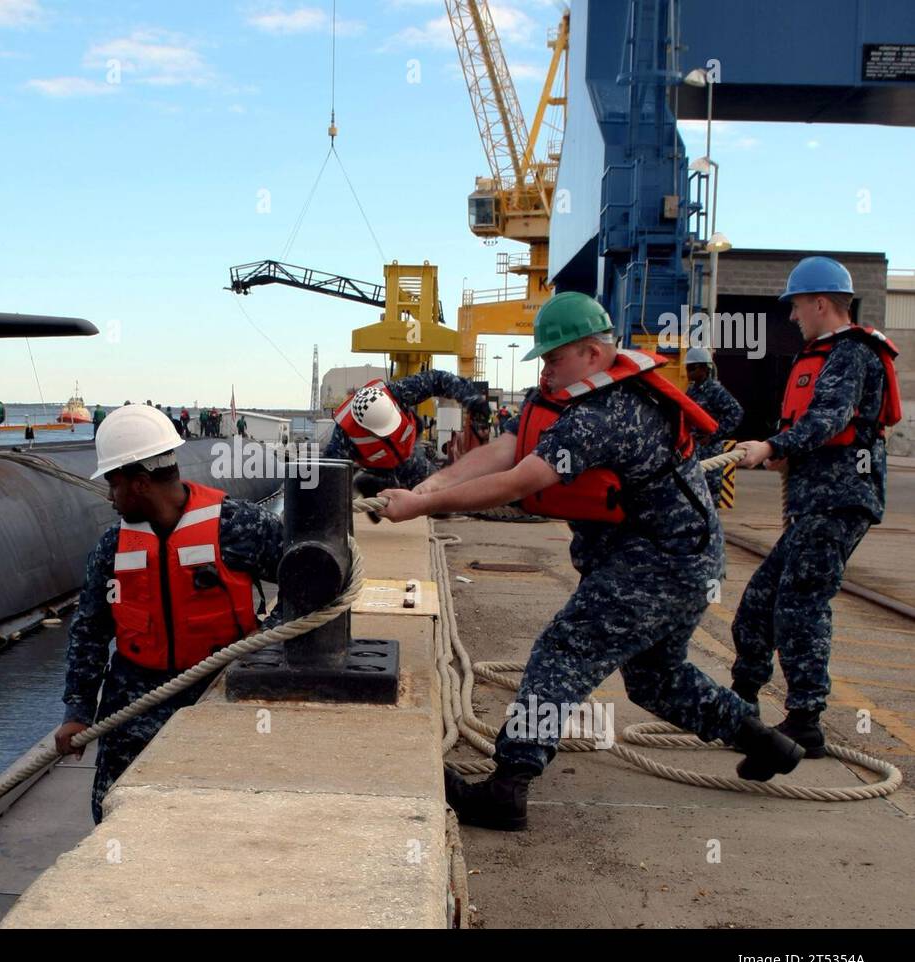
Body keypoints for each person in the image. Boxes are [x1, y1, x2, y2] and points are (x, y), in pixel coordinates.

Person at [378, 291, 805, 830]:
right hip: (681, 562)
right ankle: (765, 743)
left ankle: (509, 785)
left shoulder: (606, 413)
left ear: (592, 353)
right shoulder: (586, 397)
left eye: (554, 358)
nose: (547, 372)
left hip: (658, 564)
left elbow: (519, 481)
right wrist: (430, 486)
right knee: (656, 679)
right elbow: (509, 448)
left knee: (565, 650)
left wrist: (424, 505)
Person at [51, 404, 286, 823]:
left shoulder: (238, 527)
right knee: (116, 813)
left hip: (218, 694)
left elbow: (311, 578)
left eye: (114, 484)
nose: (109, 497)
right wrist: (77, 712)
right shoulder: (112, 549)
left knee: (217, 814)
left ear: (140, 484)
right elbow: (89, 633)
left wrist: (266, 643)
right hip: (134, 703)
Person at [730, 257, 902, 755]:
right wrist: (780, 454)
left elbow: (830, 416)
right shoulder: (829, 353)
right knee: (759, 604)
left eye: (797, 306)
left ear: (821, 303)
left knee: (801, 604)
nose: (792, 317)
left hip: (839, 501)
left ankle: (805, 718)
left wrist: (772, 446)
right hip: (815, 503)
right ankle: (741, 708)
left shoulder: (850, 353)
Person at [323, 370, 491, 493]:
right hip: (379, 468)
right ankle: (375, 485)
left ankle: (382, 485)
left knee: (439, 494)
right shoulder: (344, 433)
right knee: (385, 492)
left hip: (410, 454)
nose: (388, 433)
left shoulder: (398, 392)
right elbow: (332, 474)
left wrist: (472, 398)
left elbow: (436, 380)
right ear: (363, 426)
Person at [684, 346, 743, 505]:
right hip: (693, 451)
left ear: (703, 368)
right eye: (687, 367)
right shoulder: (692, 391)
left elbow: (736, 412)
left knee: (709, 496)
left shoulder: (715, 391)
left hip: (710, 452)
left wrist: (714, 435)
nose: (687, 371)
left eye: (691, 367)